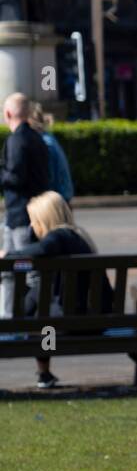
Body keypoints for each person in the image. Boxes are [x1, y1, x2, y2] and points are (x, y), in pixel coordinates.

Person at [3, 190, 110, 388]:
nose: (31, 226)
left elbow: (41, 250)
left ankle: (18, 332)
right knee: (41, 303)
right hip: (96, 323)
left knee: (40, 316)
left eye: (33, 221)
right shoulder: (79, 237)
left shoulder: (58, 237)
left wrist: (8, 254)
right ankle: (43, 373)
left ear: (44, 220)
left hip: (68, 326)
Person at [0, 92, 50, 319]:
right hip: (33, 213)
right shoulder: (36, 138)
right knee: (20, 269)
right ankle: (20, 317)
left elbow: (15, 178)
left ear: (8, 113)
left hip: (20, 215)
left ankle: (14, 319)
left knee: (21, 270)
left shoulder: (16, 140)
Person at [30, 105, 74, 202]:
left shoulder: (45, 144)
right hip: (62, 198)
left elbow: (49, 180)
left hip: (57, 202)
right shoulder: (49, 139)